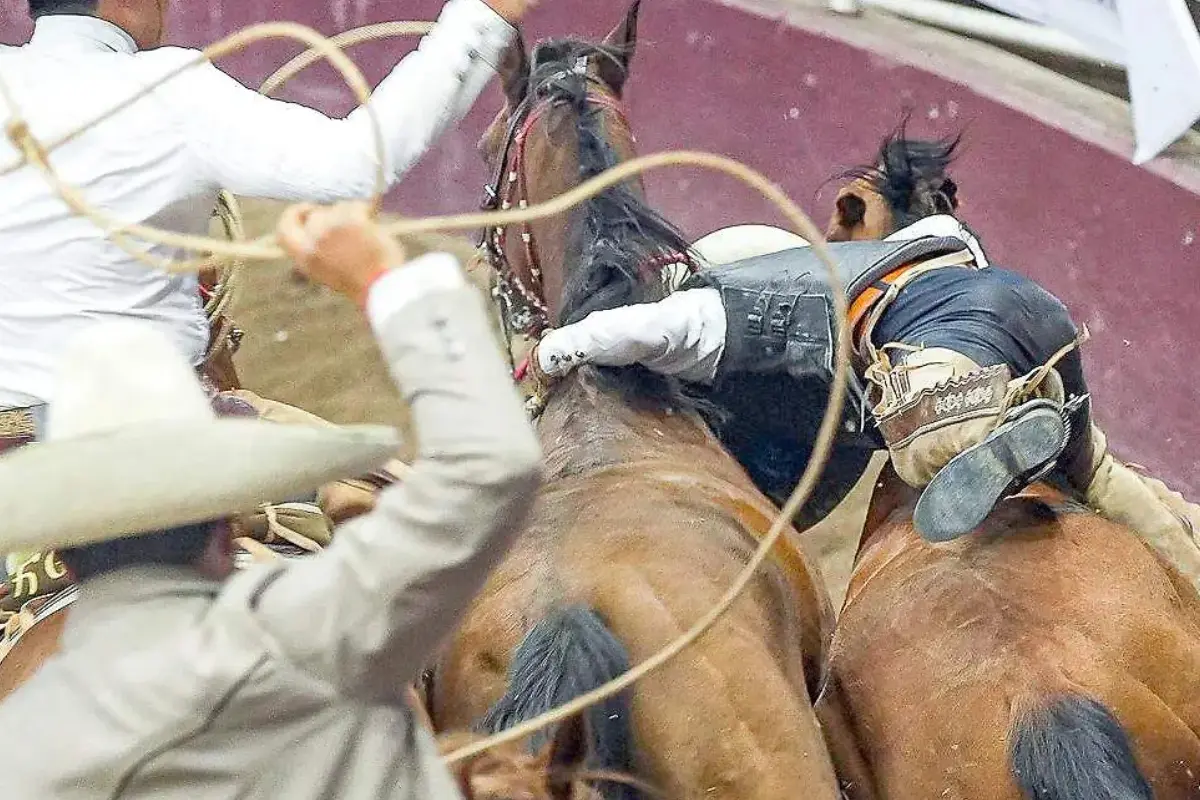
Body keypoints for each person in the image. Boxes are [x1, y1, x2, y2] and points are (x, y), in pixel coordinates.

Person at [0, 202, 543, 798]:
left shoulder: (21, 749)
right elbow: (492, 464)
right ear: (228, 524)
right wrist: (384, 280)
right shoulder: (322, 626)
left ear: (63, 554)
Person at [527, 176, 1200, 560]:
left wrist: (554, 350)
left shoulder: (717, 312)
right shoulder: (917, 243)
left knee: (913, 442)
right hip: (1033, 312)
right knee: (1103, 480)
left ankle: (996, 423)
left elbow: (638, 329)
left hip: (947, 352)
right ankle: (1187, 547)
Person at [0, 0, 535, 451]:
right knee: (369, 490)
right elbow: (355, 164)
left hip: (12, 447)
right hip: (151, 446)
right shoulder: (172, 90)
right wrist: (482, 17)